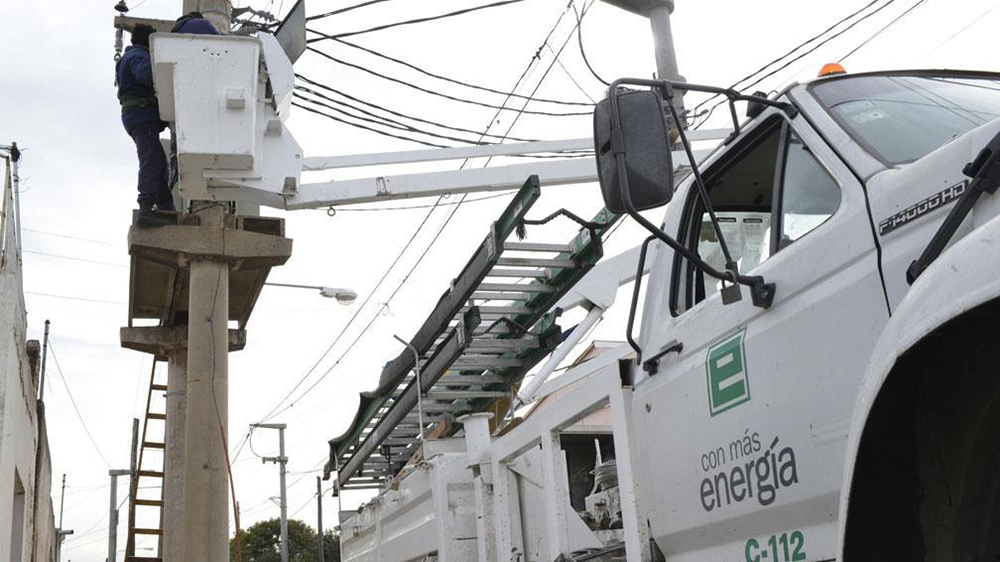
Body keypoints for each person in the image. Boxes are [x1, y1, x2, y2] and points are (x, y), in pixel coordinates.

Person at [117, 24, 172, 227]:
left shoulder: (132, 55)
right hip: (141, 116)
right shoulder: (138, 56)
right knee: (151, 161)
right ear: (149, 41)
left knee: (158, 161)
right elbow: (146, 75)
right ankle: (147, 210)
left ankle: (166, 208)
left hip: (138, 116)